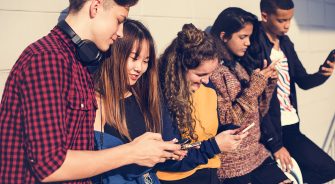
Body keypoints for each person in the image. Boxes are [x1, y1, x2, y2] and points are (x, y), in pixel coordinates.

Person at [0, 1, 180, 183]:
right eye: (119, 20)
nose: (119, 33)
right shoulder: (47, 60)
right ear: (96, 7)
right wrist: (132, 152)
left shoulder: (78, 63)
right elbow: (50, 166)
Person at [92, 19, 186, 184]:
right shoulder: (96, 100)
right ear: (116, 54)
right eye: (134, 58)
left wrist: (165, 152)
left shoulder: (144, 97)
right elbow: (95, 160)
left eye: (145, 61)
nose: (140, 68)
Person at [157, 23, 247, 184]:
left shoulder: (207, 87)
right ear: (178, 68)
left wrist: (229, 131)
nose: (206, 80)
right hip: (177, 178)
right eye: (201, 74)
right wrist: (214, 146)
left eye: (210, 74)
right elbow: (171, 159)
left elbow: (211, 131)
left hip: (209, 172)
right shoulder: (160, 96)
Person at [209, 7, 291, 184]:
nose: (247, 43)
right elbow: (228, 120)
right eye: (242, 37)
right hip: (232, 164)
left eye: (249, 37)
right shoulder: (214, 73)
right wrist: (255, 86)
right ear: (223, 36)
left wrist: (268, 85)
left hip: (256, 153)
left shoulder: (238, 66)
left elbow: (259, 112)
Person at [258, 0, 335, 183]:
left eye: (290, 20)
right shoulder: (254, 46)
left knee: (328, 169)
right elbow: (257, 100)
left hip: (291, 125)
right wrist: (275, 144)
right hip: (271, 129)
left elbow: (303, 81)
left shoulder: (285, 43)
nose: (287, 26)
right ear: (265, 16)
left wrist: (323, 73)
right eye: (282, 20)